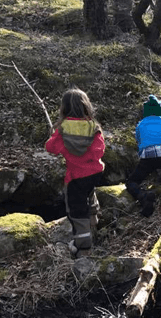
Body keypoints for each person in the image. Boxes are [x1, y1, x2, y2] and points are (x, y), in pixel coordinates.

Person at [45, 88, 105, 258]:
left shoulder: (62, 128)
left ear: (63, 108)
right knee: (89, 191)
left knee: (76, 209)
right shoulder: (93, 126)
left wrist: (60, 141)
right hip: (95, 172)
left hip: (75, 176)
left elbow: (50, 147)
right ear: (86, 106)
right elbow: (99, 150)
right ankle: (94, 219)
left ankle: (83, 246)